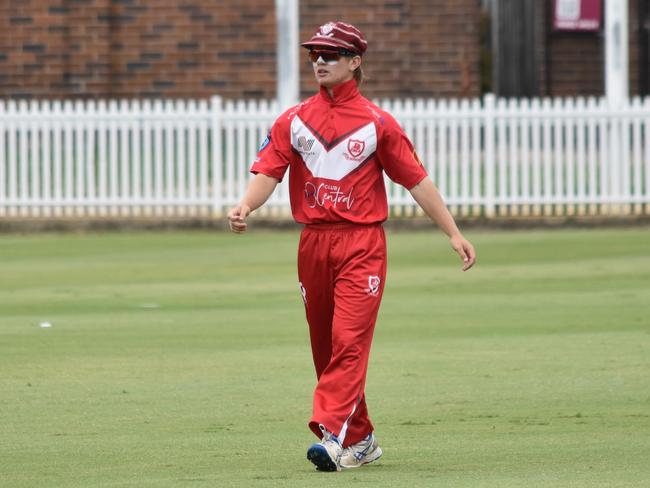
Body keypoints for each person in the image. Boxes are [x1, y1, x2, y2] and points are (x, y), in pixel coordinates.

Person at [227, 21, 476, 472]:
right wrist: (246, 205)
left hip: (362, 244)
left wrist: (453, 233)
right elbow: (268, 171)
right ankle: (361, 439)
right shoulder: (293, 119)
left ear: (355, 62)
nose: (320, 61)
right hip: (313, 244)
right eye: (315, 55)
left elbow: (415, 180)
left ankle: (331, 432)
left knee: (349, 341)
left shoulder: (379, 123)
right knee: (325, 347)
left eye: (331, 55)